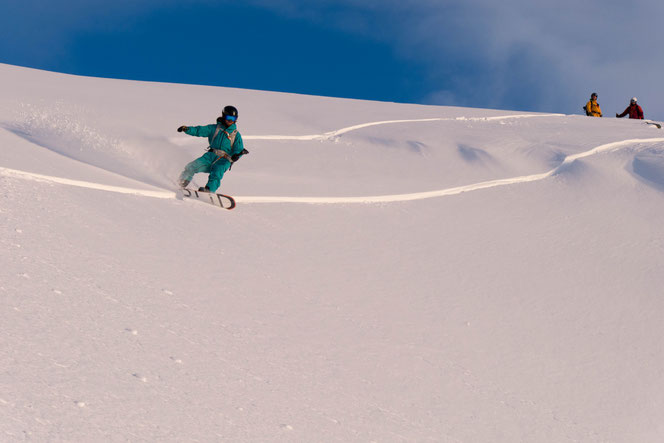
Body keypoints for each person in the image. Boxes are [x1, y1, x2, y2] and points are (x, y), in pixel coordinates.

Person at [177, 105, 248, 192]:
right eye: (229, 117)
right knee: (192, 166)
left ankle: (209, 190)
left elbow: (239, 149)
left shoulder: (236, 134)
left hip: (225, 159)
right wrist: (187, 129)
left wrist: (236, 156)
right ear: (223, 116)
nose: (230, 120)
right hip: (210, 155)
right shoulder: (215, 128)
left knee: (217, 171)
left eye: (233, 119)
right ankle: (182, 182)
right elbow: (199, 130)